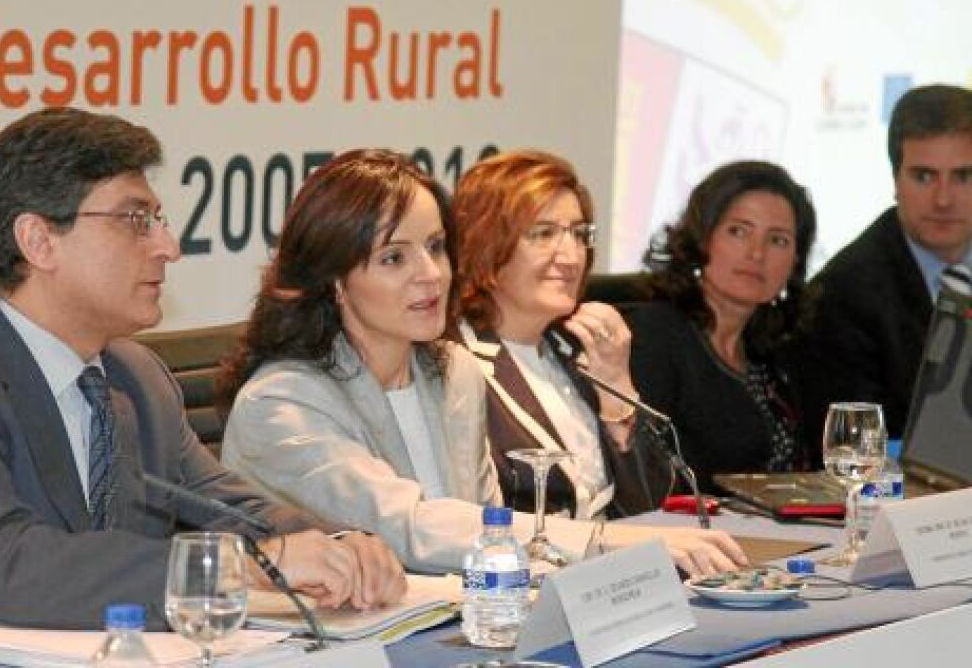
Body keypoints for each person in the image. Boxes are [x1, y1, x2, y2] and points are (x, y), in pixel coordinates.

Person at [0, 108, 404, 662]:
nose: (168, 246)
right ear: (38, 241)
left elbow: (230, 507)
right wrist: (242, 567)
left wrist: (339, 546)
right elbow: (11, 568)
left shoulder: (136, 376)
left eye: (158, 219)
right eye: (135, 220)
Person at [218, 149, 747, 575]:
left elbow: (491, 528)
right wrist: (607, 543)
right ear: (334, 281)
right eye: (394, 257)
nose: (431, 274)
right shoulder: (281, 402)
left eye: (435, 247)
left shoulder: (453, 372)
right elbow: (409, 526)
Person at [799, 84, 972, 442]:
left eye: (964, 176)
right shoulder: (843, 291)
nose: (943, 199)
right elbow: (853, 444)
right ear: (896, 181)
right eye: (924, 176)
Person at [453, 150, 672, 520]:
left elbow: (650, 506)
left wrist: (616, 390)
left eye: (579, 234)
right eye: (544, 234)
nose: (571, 256)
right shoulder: (452, 362)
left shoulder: (576, 351)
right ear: (485, 243)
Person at [629, 160, 819, 494]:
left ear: (795, 261)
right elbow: (645, 474)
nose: (756, 254)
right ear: (702, 240)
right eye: (738, 232)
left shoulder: (776, 352)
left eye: (777, 240)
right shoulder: (655, 336)